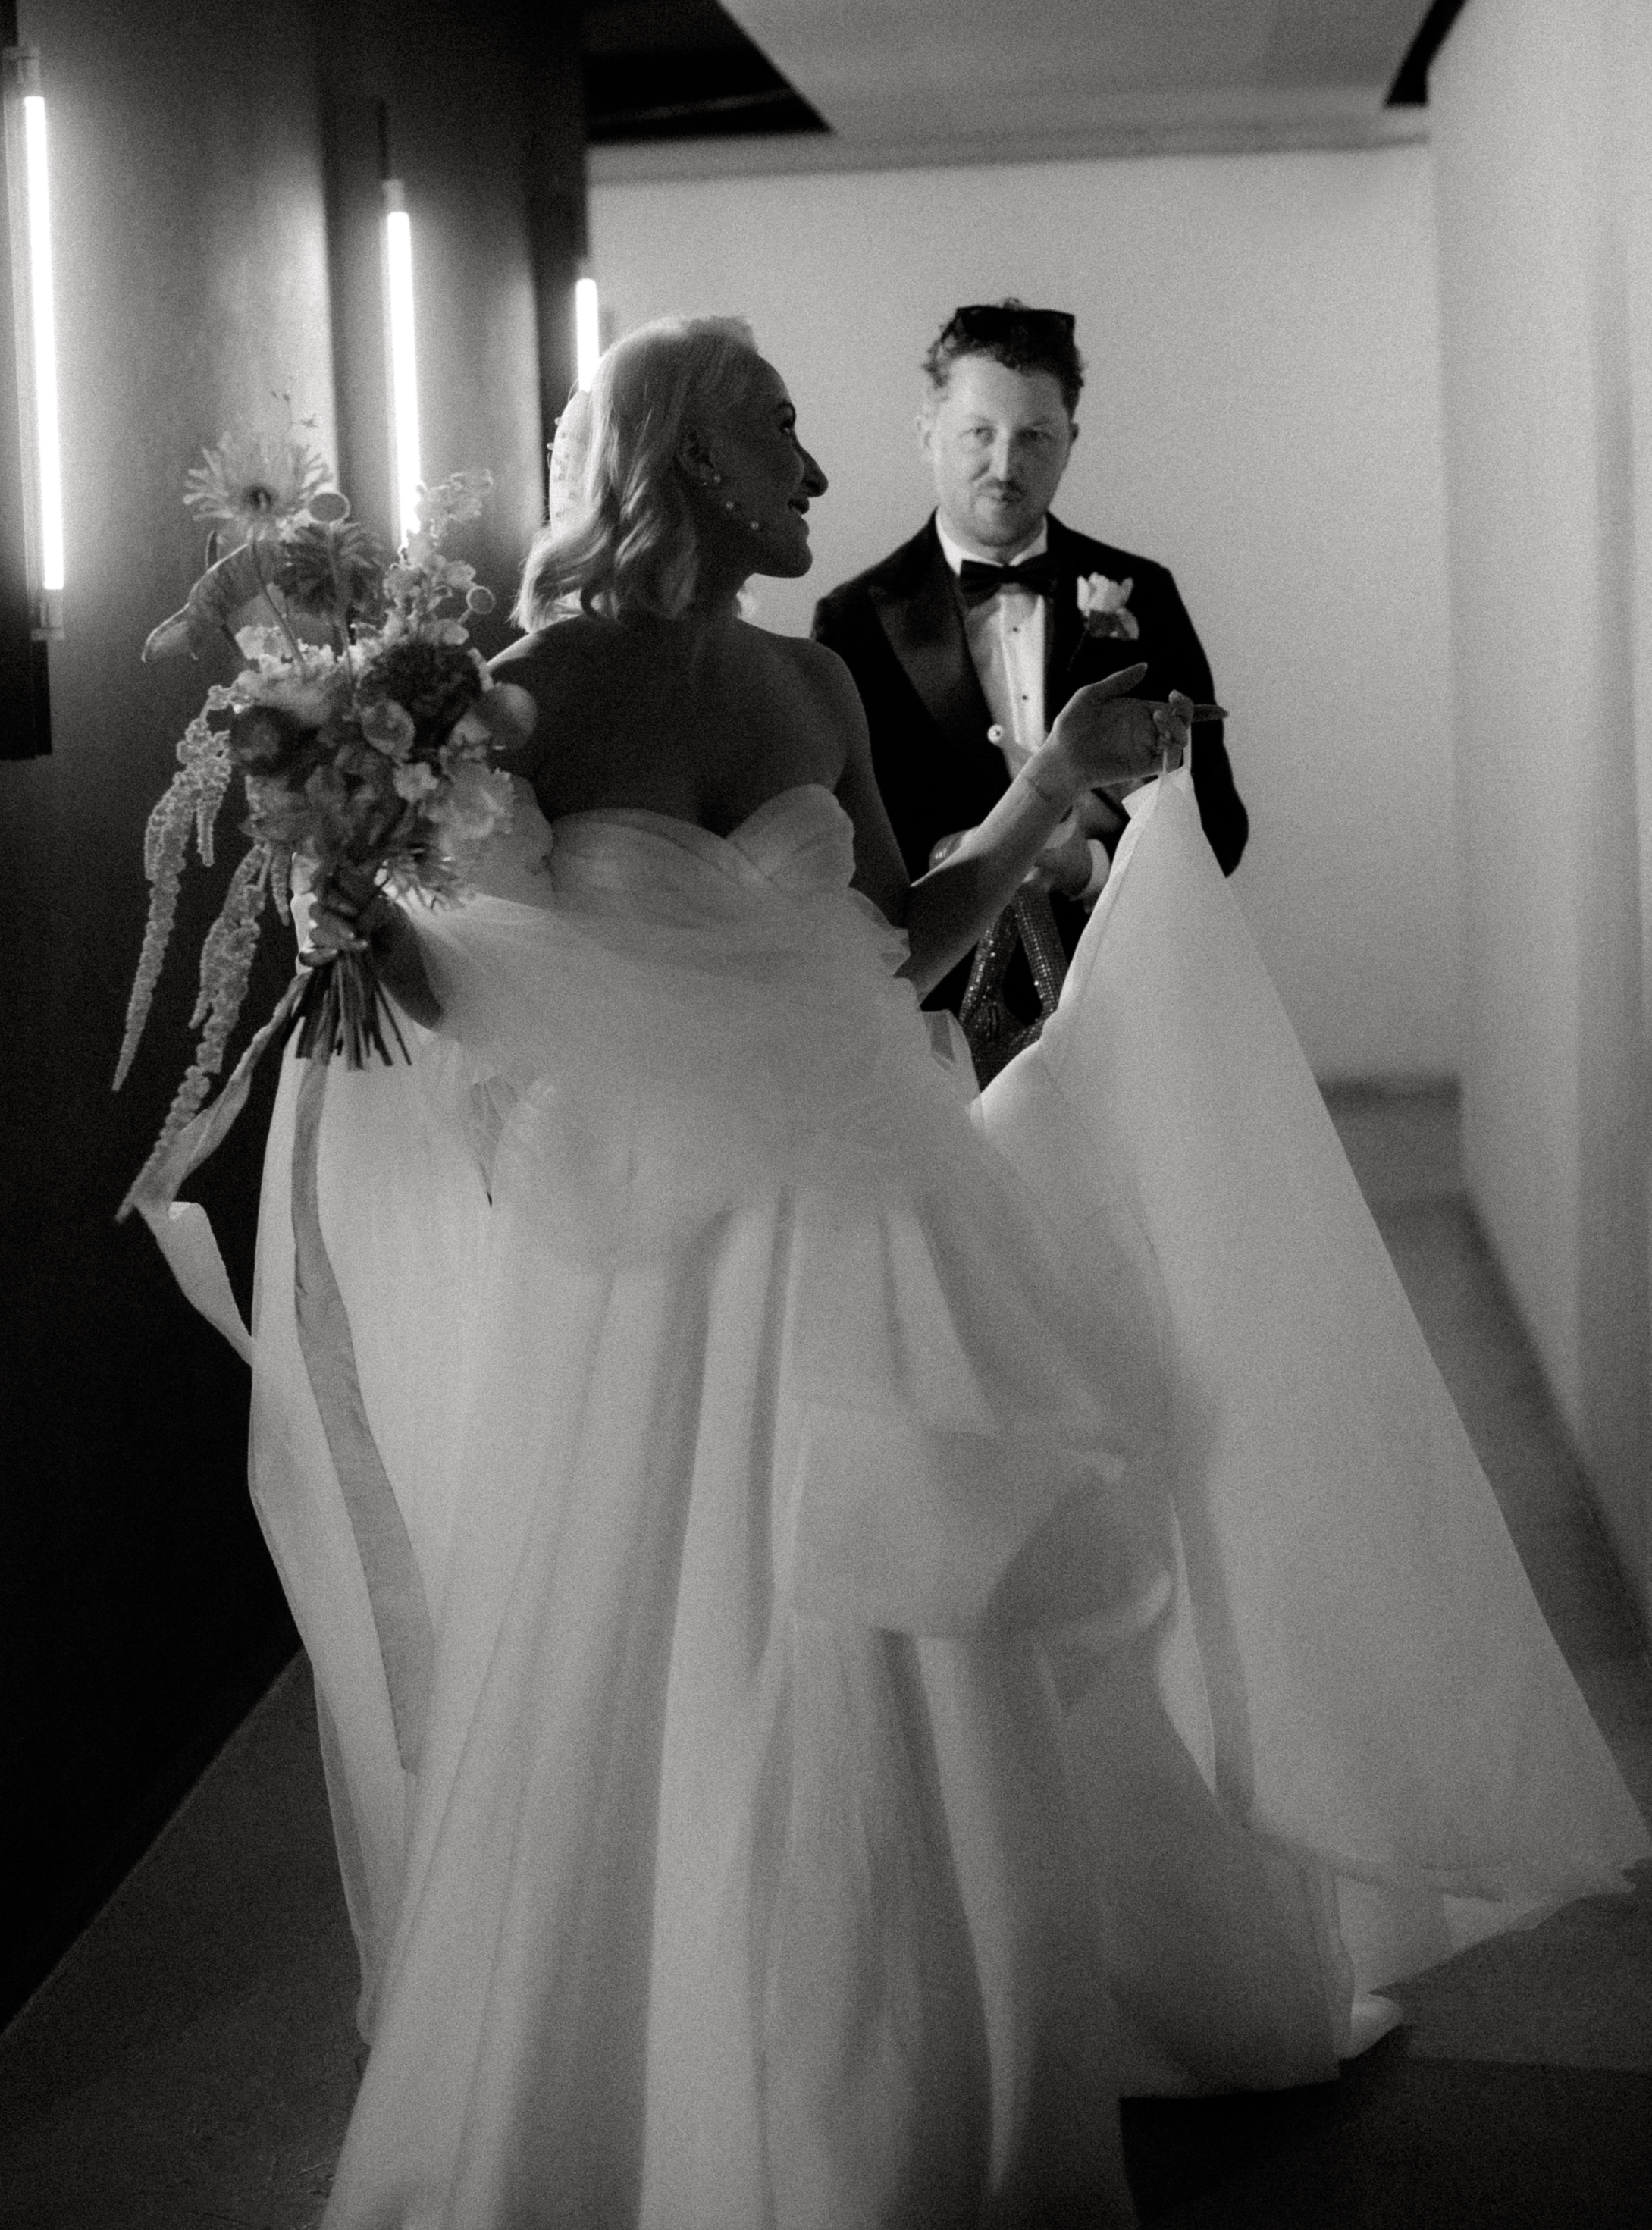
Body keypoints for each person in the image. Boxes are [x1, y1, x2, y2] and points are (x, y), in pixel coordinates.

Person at [255, 317, 1646, 2230]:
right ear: (682, 459)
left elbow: (896, 939)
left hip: (854, 1210)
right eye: (779, 434)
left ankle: (913, 2076)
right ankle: (635, 2074)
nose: (819, 475)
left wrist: (1053, 787)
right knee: (658, 1629)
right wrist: (333, 885)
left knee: (888, 1634)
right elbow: (465, 983)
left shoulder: (811, 682)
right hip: (649, 1269)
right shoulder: (504, 702)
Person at [813, 301, 1246, 1075]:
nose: (1006, 465)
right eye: (979, 432)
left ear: (1071, 440)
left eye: (1035, 435)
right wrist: (966, 857)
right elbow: (835, 848)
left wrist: (1085, 866)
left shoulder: (1145, 594)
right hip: (932, 1022)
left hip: (1122, 1011)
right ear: (927, 430)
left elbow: (1221, 826)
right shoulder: (851, 622)